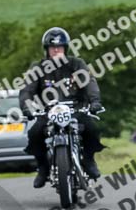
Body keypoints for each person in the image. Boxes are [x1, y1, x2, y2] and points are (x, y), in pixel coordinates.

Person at [19, 26, 104, 188]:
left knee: (92, 129)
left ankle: (88, 160)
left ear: (66, 48)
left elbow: (89, 83)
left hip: (76, 110)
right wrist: (26, 107)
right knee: (34, 134)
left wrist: (95, 102)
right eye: (52, 47)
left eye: (59, 47)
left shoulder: (76, 64)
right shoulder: (38, 68)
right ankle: (43, 169)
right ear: (47, 49)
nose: (56, 50)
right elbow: (27, 90)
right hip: (48, 112)